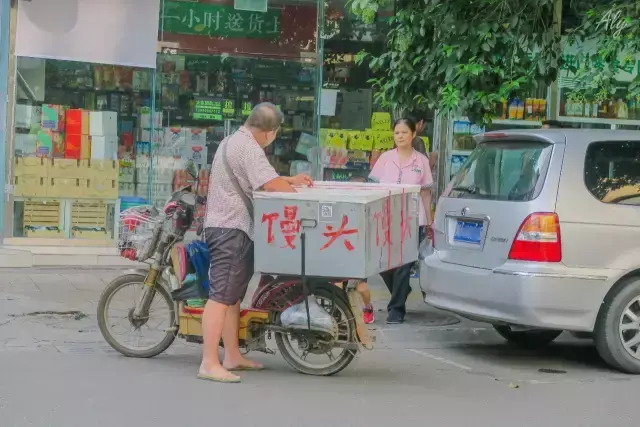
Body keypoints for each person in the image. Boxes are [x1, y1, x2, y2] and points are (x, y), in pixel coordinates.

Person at [199, 103, 313, 384]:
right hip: (230, 230)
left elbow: (261, 178)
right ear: (269, 132)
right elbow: (271, 185)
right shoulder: (249, 147)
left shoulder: (233, 140)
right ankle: (209, 362)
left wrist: (288, 179)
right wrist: (297, 190)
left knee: (233, 296)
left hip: (228, 227)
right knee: (220, 297)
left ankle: (232, 355)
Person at [369, 118, 433, 324]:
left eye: (405, 132)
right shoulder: (386, 158)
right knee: (383, 263)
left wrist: (429, 222)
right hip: (386, 217)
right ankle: (402, 290)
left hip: (413, 218)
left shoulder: (421, 161)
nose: (400, 136)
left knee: (404, 263)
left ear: (413, 134)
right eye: (397, 133)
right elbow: (374, 190)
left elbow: (425, 193)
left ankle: (396, 309)